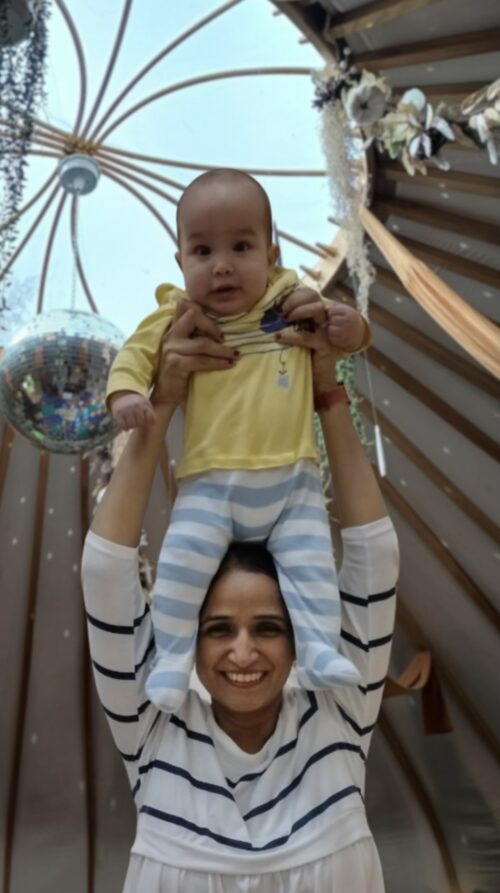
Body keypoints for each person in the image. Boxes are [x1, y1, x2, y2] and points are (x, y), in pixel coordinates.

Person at [81, 312, 399, 893]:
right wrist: (160, 403)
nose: (243, 652)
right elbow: (105, 575)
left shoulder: (341, 715)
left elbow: (372, 556)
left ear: (301, 636)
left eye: (269, 629)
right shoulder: (153, 730)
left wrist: (326, 395)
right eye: (217, 629)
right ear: (189, 642)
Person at [105, 169, 372, 714]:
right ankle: (174, 658)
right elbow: (131, 357)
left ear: (272, 255)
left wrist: (348, 330)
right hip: (209, 485)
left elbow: (347, 333)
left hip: (294, 482)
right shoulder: (180, 316)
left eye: (241, 246)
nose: (222, 264)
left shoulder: (288, 299)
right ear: (181, 263)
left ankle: (320, 648)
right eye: (202, 250)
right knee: (180, 569)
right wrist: (129, 395)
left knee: (313, 567)